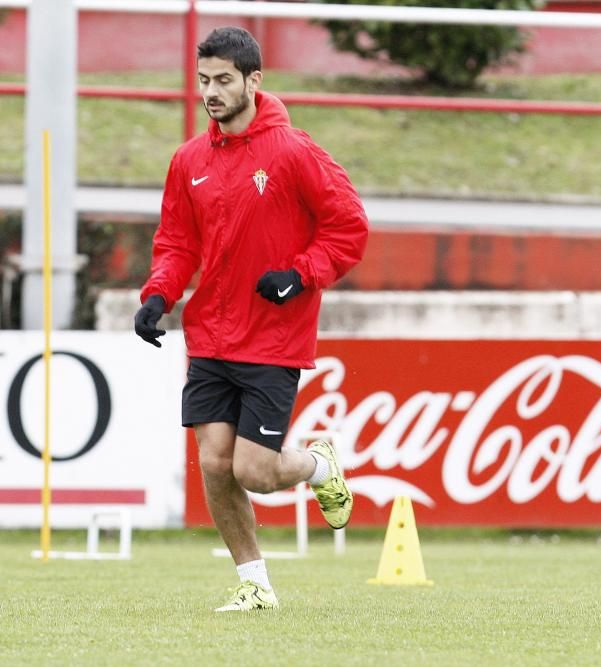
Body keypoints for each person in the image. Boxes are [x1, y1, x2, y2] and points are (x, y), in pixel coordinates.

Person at [133, 26, 369, 608]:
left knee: (256, 471)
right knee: (215, 463)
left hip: (271, 336)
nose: (211, 92)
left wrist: (299, 273)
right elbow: (176, 242)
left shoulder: (293, 151)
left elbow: (350, 227)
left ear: (253, 81)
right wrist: (159, 295)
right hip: (210, 333)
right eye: (204, 81)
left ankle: (318, 465)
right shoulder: (188, 159)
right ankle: (254, 584)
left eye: (223, 81)